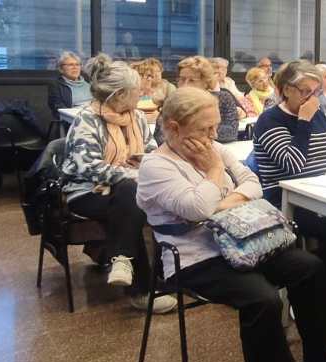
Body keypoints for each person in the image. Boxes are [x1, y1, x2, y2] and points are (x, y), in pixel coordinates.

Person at [136, 87, 326, 362]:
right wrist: (214, 173)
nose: (213, 136)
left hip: (243, 240)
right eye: (204, 129)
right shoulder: (156, 166)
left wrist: (222, 202)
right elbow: (195, 209)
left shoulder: (214, 148)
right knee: (263, 300)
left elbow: (254, 182)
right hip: (193, 257)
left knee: (308, 267)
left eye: (214, 127)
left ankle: (318, 361)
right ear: (174, 128)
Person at [60, 53, 175, 313]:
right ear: (120, 95)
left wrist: (143, 160)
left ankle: (123, 259)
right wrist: (131, 173)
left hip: (125, 191)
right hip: (86, 192)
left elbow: (151, 149)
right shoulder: (87, 119)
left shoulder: (136, 117)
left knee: (131, 198)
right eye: (136, 90)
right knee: (131, 196)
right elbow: (87, 167)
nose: (142, 93)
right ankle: (142, 291)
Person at [250, 61, 326, 289]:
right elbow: (292, 165)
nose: (312, 99)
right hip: (289, 201)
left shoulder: (318, 115)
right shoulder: (270, 120)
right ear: (287, 89)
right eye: (305, 91)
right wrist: (303, 121)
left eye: (315, 92)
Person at [176, 56, 241, 143]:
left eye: (192, 80)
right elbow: (163, 136)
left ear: (205, 82)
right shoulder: (173, 103)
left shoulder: (224, 98)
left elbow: (231, 132)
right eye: (182, 79)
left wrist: (196, 128)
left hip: (217, 147)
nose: (185, 84)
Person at [48, 51, 91, 119]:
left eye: (77, 64)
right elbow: (58, 109)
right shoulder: (55, 85)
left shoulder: (89, 82)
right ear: (61, 69)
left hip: (94, 116)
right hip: (73, 119)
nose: (75, 67)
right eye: (71, 65)